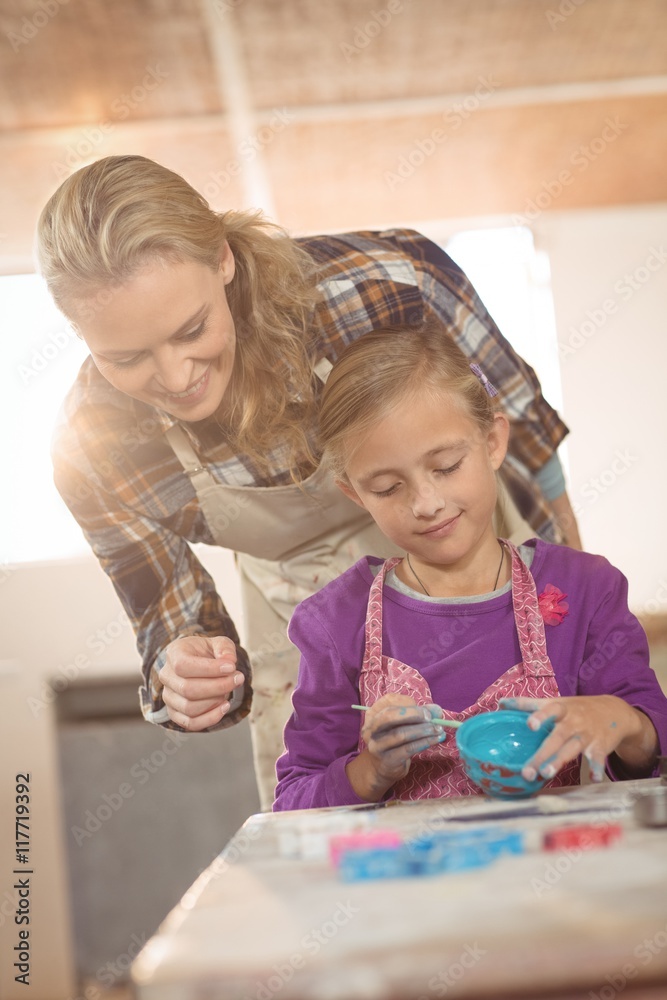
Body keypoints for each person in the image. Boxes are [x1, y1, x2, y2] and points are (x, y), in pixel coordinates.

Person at [38, 154, 581, 810]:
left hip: (470, 561)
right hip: (298, 614)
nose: (177, 377)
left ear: (223, 259)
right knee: (334, 830)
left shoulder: (385, 285)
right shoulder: (92, 451)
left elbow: (525, 439)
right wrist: (184, 670)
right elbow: (169, 618)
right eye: (126, 357)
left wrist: (576, 613)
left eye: (191, 330)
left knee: (539, 799)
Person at [273, 325, 667, 810]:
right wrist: (370, 771)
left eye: (446, 466)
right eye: (387, 488)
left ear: (493, 442)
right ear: (355, 493)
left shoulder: (586, 589)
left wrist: (618, 719)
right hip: (407, 881)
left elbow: (651, 753)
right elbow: (292, 802)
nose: (426, 503)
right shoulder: (334, 622)